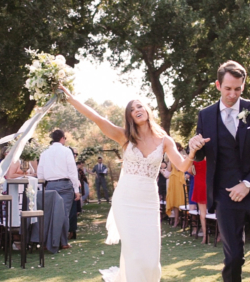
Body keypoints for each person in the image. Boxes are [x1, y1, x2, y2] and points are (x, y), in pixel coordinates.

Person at [60, 84, 197, 282]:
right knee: (133, 252)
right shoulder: (125, 136)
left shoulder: (164, 140)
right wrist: (71, 98)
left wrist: (192, 152)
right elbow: (98, 118)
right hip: (125, 199)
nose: (137, 111)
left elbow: (183, 166)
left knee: (150, 257)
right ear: (130, 117)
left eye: (139, 106)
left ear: (147, 110)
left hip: (148, 202)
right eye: (132, 110)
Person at [189, 60, 250, 282]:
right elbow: (202, 154)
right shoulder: (206, 115)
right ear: (218, 85)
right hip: (224, 194)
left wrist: (247, 184)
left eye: (238, 89)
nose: (233, 94)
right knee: (233, 257)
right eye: (228, 88)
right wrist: (194, 148)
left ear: (243, 86)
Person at [37, 129, 81, 250]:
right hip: (65, 185)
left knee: (50, 214)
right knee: (64, 214)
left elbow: (40, 173)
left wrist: (41, 189)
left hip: (49, 186)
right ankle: (63, 242)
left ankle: (48, 242)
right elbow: (72, 171)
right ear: (62, 138)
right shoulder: (67, 151)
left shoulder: (44, 153)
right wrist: (76, 190)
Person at [166, 142, 187, 228]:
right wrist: (170, 160)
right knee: (174, 200)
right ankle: (176, 220)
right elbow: (169, 169)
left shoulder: (181, 156)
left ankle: (184, 221)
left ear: (178, 148)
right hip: (173, 179)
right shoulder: (171, 157)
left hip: (179, 179)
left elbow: (179, 168)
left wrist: (174, 159)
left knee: (181, 200)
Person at [191, 159, 209, 244]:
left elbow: (190, 171)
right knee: (218, 212)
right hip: (210, 184)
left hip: (199, 184)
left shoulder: (195, 158)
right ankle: (220, 234)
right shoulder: (210, 157)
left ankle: (205, 236)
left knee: (202, 213)